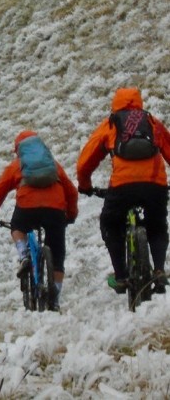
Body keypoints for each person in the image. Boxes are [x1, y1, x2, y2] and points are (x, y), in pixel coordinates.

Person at [77, 87, 170, 294]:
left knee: (110, 223)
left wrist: (85, 185)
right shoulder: (152, 122)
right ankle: (160, 270)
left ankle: (120, 276)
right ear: (139, 102)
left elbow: (86, 161)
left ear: (115, 103)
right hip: (155, 185)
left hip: (122, 186)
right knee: (157, 225)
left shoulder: (110, 124)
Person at [0, 130, 79, 310]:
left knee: (17, 226)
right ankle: (55, 299)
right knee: (57, 254)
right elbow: (71, 192)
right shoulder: (54, 165)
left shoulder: (17, 165)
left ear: (19, 150)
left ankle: (24, 253)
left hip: (27, 209)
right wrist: (71, 215)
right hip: (55, 210)